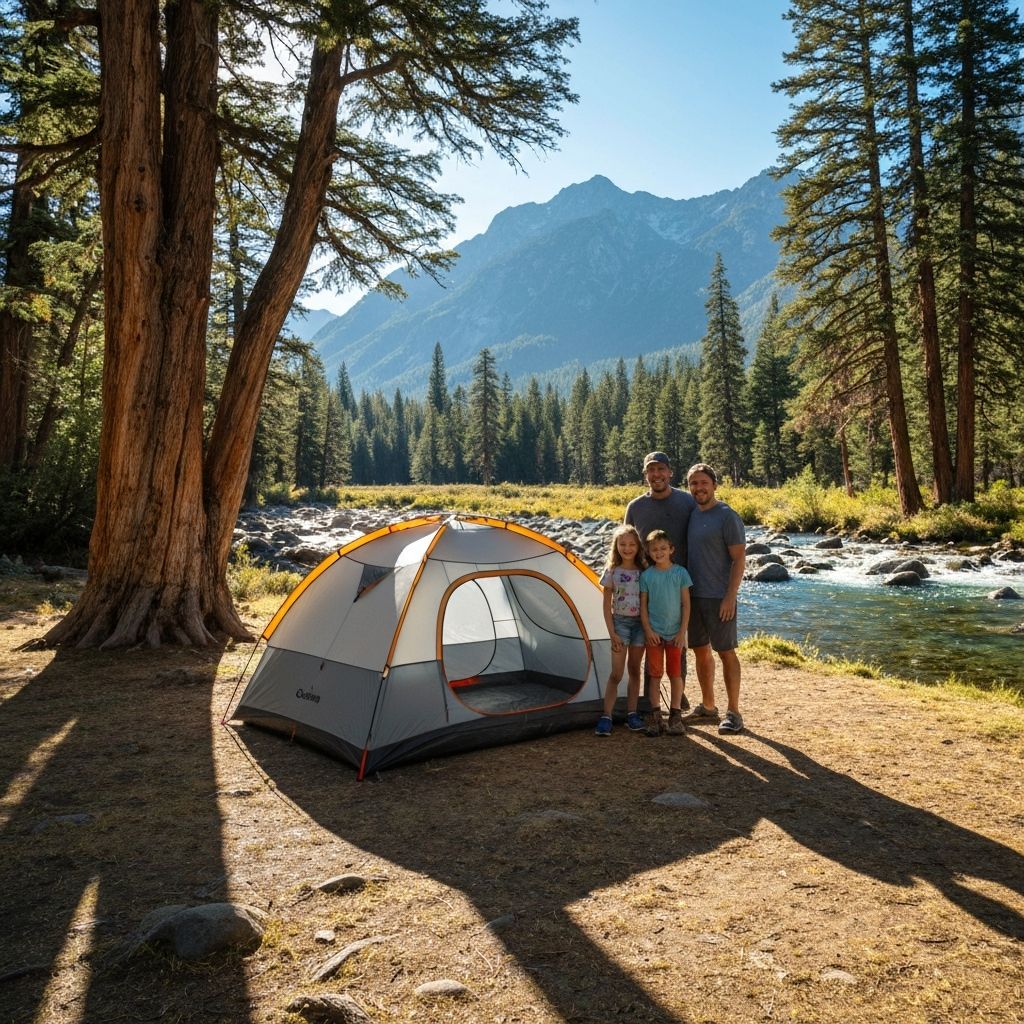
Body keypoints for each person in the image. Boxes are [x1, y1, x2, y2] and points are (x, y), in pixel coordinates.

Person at [624, 451, 697, 711]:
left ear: (669, 473)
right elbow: (627, 543)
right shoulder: (635, 507)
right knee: (649, 640)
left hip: (679, 583)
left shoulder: (687, 502)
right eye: (651, 471)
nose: (656, 475)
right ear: (645, 475)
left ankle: (679, 698)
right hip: (647, 584)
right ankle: (649, 703)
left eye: (661, 470)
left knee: (679, 643)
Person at [683, 462, 746, 734]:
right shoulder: (692, 514)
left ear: (714, 485)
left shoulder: (727, 516)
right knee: (700, 650)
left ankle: (734, 712)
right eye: (694, 483)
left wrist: (730, 596)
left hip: (719, 597)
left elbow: (739, 558)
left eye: (703, 483)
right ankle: (709, 707)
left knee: (726, 651)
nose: (699, 488)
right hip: (694, 596)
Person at [594, 525, 648, 737]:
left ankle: (632, 714)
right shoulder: (612, 571)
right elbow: (607, 606)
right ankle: (606, 715)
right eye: (623, 544)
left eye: (632, 544)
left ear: (638, 546)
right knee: (617, 673)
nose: (627, 548)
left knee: (634, 670)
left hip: (640, 625)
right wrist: (612, 633)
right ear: (616, 546)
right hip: (620, 624)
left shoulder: (644, 570)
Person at [639, 529, 692, 737]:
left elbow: (686, 605)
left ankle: (675, 715)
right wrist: (648, 630)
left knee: (675, 674)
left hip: (675, 634)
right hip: (654, 634)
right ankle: (655, 716)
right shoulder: (647, 576)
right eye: (654, 549)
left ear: (671, 549)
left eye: (663, 548)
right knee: (654, 674)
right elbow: (643, 607)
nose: (659, 552)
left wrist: (682, 632)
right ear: (649, 552)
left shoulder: (680, 573)